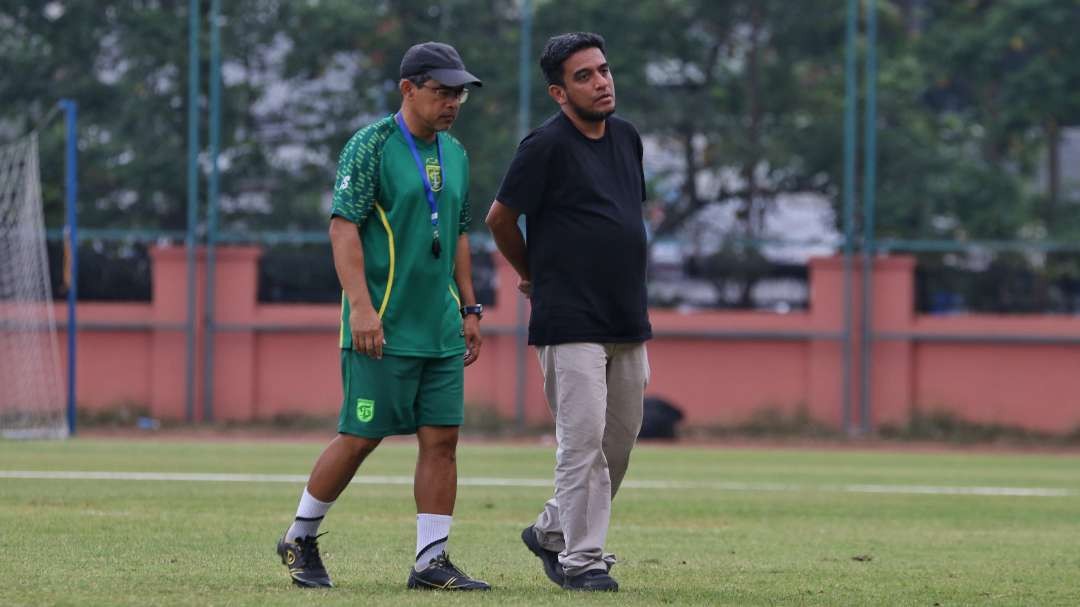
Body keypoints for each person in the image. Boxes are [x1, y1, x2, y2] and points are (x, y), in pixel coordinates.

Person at [276, 41, 490, 592]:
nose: (452, 103)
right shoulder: (370, 146)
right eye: (442, 91)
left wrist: (469, 307)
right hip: (382, 327)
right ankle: (300, 534)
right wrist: (363, 311)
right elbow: (343, 228)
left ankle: (431, 560)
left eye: (458, 93)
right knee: (360, 436)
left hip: (440, 326)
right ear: (408, 88)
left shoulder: (457, 153)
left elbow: (459, 233)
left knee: (442, 440)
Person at [485, 32, 651, 593]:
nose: (602, 82)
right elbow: (500, 219)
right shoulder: (544, 146)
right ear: (559, 92)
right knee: (582, 445)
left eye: (604, 70)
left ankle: (550, 529)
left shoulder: (627, 138)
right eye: (585, 76)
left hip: (627, 318)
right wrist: (532, 274)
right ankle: (583, 561)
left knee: (617, 447)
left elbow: (625, 221)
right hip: (569, 317)